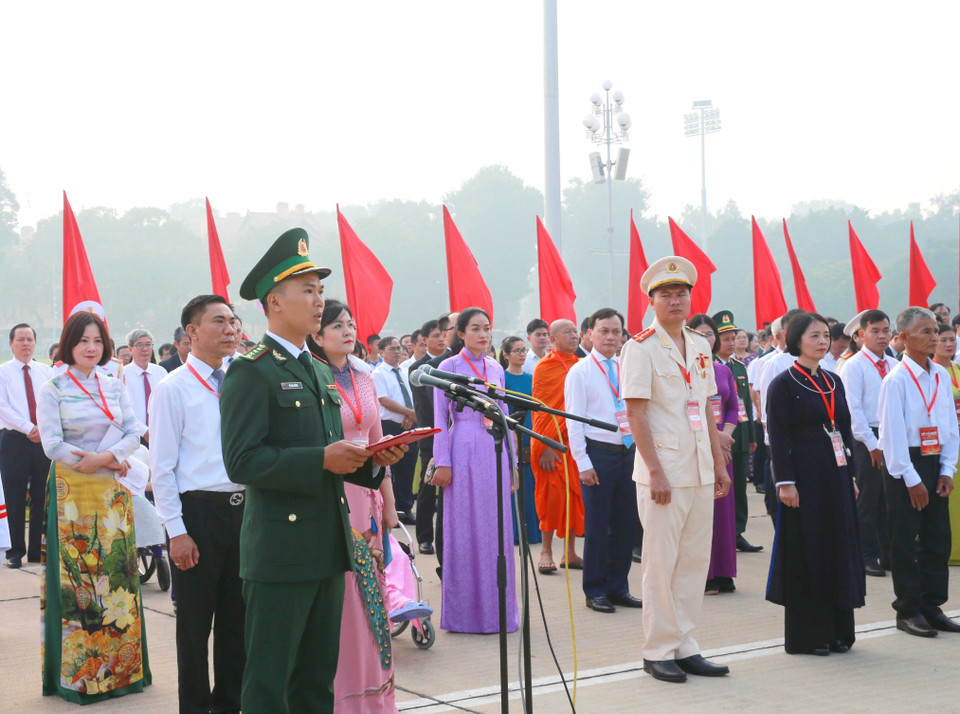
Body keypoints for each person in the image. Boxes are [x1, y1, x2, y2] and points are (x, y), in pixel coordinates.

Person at [219, 228, 405, 713]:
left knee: (316, 683)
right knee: (269, 684)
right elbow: (242, 461)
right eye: (307, 290)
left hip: (328, 545)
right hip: (280, 551)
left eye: (321, 290)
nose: (319, 300)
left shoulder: (320, 370)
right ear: (274, 302)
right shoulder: (252, 370)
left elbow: (333, 456)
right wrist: (322, 459)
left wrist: (371, 462)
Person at [621, 256, 731, 684]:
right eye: (666, 294)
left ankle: (686, 644)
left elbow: (705, 406)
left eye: (681, 293)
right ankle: (658, 649)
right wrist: (655, 472)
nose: (675, 300)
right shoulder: (640, 347)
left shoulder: (701, 345)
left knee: (693, 562)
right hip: (663, 470)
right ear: (651, 300)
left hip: (701, 468)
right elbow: (636, 414)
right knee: (660, 563)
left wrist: (720, 465)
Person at [36, 311, 151, 702]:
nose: (90, 348)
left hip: (111, 487)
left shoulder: (114, 383)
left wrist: (103, 459)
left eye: (98, 341)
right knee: (80, 577)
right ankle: (80, 676)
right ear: (69, 343)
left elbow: (135, 431)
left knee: (117, 571)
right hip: (72, 488)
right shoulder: (53, 387)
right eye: (83, 340)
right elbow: (51, 444)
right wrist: (88, 461)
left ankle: (124, 670)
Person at [150, 295, 245, 714]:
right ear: (192, 332)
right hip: (198, 515)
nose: (230, 329)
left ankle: (230, 704)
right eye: (218, 321)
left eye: (233, 321)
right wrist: (177, 531)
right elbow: (163, 467)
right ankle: (194, 707)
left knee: (236, 624)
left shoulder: (242, 380)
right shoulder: (173, 389)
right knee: (194, 627)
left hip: (245, 513)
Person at [310, 300, 401, 713]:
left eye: (351, 324)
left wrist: (389, 504)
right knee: (342, 600)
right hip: (332, 496)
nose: (348, 331)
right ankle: (342, 700)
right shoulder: (313, 379)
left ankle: (375, 698)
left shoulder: (364, 377)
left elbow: (378, 443)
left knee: (372, 596)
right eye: (337, 325)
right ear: (317, 334)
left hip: (367, 498)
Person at [765, 311, 865, 655]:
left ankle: (839, 631)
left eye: (825, 335)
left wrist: (850, 475)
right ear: (796, 341)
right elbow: (777, 437)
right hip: (804, 481)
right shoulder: (784, 384)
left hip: (835, 477)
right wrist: (786, 482)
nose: (822, 341)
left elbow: (846, 429)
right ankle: (810, 635)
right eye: (814, 336)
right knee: (810, 552)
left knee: (838, 548)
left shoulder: (833, 380)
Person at [432, 307, 518, 633]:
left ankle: (499, 612)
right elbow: (440, 417)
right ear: (462, 333)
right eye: (475, 328)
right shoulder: (448, 366)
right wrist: (442, 461)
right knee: (464, 529)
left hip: (494, 448)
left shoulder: (496, 367)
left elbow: (505, 414)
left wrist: (512, 462)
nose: (483, 334)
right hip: (463, 446)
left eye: (487, 328)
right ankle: (463, 614)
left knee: (496, 530)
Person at [878, 307, 960, 637]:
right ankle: (908, 609)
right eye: (925, 331)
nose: (934, 337)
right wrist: (911, 479)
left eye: (935, 331)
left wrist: (947, 470)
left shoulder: (940, 374)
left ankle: (932, 604)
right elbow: (891, 436)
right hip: (905, 464)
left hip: (934, 457)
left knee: (937, 538)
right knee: (906, 540)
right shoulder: (895, 380)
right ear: (904, 339)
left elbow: (950, 426)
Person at [565, 308, 641, 613]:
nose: (611, 337)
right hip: (599, 454)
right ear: (590, 334)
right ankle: (595, 589)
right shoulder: (580, 371)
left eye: (616, 332)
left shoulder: (629, 367)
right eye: (604, 331)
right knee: (598, 525)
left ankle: (618, 587)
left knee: (626, 525)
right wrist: (583, 462)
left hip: (630, 453)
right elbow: (574, 421)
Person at [839, 309, 897, 578]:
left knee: (890, 499)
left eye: (886, 330)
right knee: (869, 499)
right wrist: (873, 445)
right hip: (866, 439)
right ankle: (866, 555)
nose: (882, 336)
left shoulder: (894, 364)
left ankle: (888, 554)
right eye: (875, 331)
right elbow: (854, 410)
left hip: (891, 436)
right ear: (861, 335)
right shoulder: (854, 365)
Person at [689, 314, 739, 595]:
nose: (705, 339)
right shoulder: (685, 371)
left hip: (723, 449)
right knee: (700, 512)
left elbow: (733, 406)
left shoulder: (724, 371)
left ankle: (724, 571)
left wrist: (725, 435)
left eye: (709, 334)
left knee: (723, 512)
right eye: (699, 334)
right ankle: (704, 575)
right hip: (697, 446)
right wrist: (712, 436)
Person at [531, 319, 584, 573]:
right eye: (567, 332)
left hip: (575, 442)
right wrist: (547, 444)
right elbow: (541, 411)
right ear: (553, 339)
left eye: (575, 332)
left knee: (574, 497)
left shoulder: (581, 365)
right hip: (551, 443)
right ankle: (546, 551)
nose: (574, 336)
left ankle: (570, 552)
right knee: (550, 498)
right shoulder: (544, 367)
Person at [0, 323, 52, 568]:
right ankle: (15, 550)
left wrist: (42, 429)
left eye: (29, 339)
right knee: (15, 496)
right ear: (11, 344)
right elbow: (3, 408)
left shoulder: (46, 372)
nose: (25, 344)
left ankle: (36, 550)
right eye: (20, 339)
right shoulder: (3, 372)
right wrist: (28, 427)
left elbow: (54, 404)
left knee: (43, 495)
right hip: (14, 440)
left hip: (43, 440)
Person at [712, 311, 762, 553]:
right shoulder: (707, 366)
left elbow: (745, 404)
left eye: (733, 338)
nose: (731, 343)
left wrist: (751, 435)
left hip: (739, 434)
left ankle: (737, 532)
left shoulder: (738, 367)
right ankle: (720, 534)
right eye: (726, 339)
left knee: (739, 486)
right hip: (714, 433)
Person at [410, 314, 457, 557]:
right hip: (432, 434)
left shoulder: (456, 363)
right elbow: (427, 406)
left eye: (443, 333)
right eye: (436, 335)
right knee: (429, 487)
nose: (440, 338)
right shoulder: (420, 369)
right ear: (425, 339)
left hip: (457, 434)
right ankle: (425, 537)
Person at [499, 335, 541, 545]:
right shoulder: (502, 379)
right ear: (506, 354)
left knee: (531, 485)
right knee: (514, 484)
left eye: (523, 350)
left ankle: (532, 532)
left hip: (532, 435)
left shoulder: (531, 378)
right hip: (512, 435)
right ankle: (514, 532)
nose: (522, 354)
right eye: (516, 350)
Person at [372, 336, 418, 525]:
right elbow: (383, 400)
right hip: (389, 426)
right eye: (392, 348)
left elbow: (412, 396)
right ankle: (392, 509)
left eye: (399, 348)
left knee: (408, 467)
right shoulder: (378, 373)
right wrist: (409, 413)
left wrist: (410, 416)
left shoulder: (407, 371)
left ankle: (406, 508)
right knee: (391, 469)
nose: (397, 351)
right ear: (382, 351)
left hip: (409, 424)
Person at [932, 325, 960, 565]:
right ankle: (949, 552)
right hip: (941, 442)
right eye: (944, 340)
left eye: (953, 339)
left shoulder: (956, 368)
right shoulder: (931, 372)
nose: (949, 344)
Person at [122, 329, 166, 445]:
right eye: (140, 345)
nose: (145, 349)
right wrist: (144, 431)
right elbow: (123, 409)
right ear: (130, 349)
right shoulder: (122, 374)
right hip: (134, 436)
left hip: (161, 434)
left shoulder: (161, 372)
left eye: (148, 345)